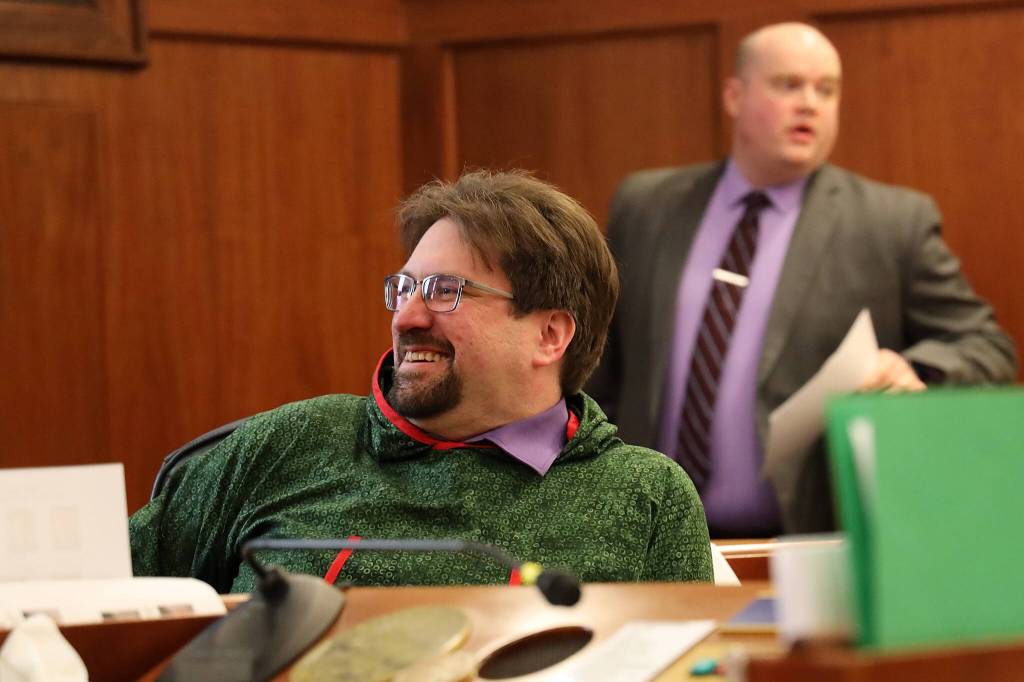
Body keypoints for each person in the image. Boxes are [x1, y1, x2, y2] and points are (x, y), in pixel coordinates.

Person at [130, 170, 713, 593]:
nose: (406, 317)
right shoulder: (288, 444)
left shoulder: (646, 497)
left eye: (445, 292)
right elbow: (97, 599)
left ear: (550, 335)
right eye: (405, 288)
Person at [587, 22, 1017, 537]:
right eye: (789, 85)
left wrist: (912, 367)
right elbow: (598, 366)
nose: (810, 103)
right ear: (734, 95)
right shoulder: (647, 206)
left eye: (826, 89)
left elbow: (988, 347)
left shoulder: (891, 223)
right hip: (648, 541)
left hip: (808, 543)